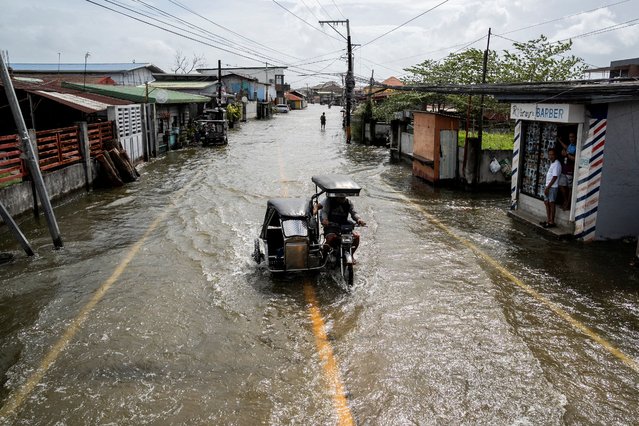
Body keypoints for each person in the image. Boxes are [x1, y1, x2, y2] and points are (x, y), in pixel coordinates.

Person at [318, 194, 366, 259]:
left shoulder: (348, 203)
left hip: (344, 226)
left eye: (343, 196)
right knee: (330, 239)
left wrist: (359, 219)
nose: (342, 198)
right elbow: (324, 212)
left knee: (356, 237)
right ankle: (324, 256)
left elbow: (354, 213)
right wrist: (325, 219)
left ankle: (351, 254)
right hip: (331, 226)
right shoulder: (329, 201)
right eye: (340, 196)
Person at [541, 148, 562, 229]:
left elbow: (555, 177)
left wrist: (547, 188)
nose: (550, 156)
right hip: (548, 186)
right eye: (549, 154)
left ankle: (551, 221)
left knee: (551, 204)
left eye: (552, 154)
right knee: (546, 203)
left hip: (552, 187)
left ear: (555, 155)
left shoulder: (557, 164)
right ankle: (548, 220)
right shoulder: (552, 163)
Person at [557, 132, 577, 210]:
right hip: (564, 170)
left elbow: (575, 159)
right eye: (570, 137)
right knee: (561, 185)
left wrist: (567, 155)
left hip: (570, 171)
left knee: (570, 188)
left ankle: (568, 204)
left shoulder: (577, 146)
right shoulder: (570, 146)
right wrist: (559, 140)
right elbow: (566, 147)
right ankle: (565, 201)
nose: (571, 138)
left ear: (576, 137)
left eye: (572, 137)